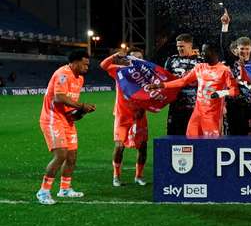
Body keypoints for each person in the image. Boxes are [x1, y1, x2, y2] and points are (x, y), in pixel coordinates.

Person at [36, 50, 96, 204]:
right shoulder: (63, 73)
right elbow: (59, 97)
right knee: (61, 154)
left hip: (67, 120)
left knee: (71, 156)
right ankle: (43, 191)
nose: (87, 67)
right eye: (84, 64)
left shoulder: (80, 79)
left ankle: (64, 189)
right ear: (75, 62)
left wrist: (81, 112)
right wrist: (82, 105)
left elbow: (70, 110)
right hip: (52, 118)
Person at [153, 44, 237, 138]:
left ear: (214, 53)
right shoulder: (199, 67)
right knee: (191, 141)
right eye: (202, 51)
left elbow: (234, 91)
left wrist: (221, 93)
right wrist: (162, 85)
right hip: (197, 114)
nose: (202, 54)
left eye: (205, 51)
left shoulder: (224, 70)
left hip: (213, 116)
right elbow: (183, 81)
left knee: (211, 145)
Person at [100, 47, 149, 186]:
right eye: (133, 58)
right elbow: (103, 65)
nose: (136, 60)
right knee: (119, 146)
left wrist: (143, 108)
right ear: (127, 60)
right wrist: (115, 56)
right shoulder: (119, 70)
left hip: (139, 115)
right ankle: (116, 176)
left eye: (139, 58)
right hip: (122, 116)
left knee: (143, 147)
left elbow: (150, 95)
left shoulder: (147, 75)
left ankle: (139, 176)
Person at [220, 10, 251, 136]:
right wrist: (225, 25)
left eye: (247, 49)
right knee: (232, 135)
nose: (244, 52)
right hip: (232, 104)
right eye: (242, 49)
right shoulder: (232, 62)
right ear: (237, 49)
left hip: (250, 105)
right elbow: (224, 46)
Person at [164, 33, 202, 135]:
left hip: (195, 109)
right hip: (176, 107)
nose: (179, 49)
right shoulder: (171, 60)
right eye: (178, 46)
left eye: (182, 46)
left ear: (190, 45)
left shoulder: (201, 61)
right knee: (174, 137)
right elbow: (164, 79)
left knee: (195, 139)